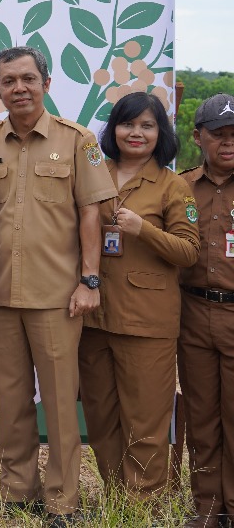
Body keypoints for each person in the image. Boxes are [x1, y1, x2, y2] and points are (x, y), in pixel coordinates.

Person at [0, 46, 116, 527]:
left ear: (47, 83)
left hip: (58, 297)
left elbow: (91, 214)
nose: (19, 88)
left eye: (28, 79)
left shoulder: (77, 141)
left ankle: (62, 501)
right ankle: (19, 493)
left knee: (58, 404)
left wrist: (89, 280)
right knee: (9, 401)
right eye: (9, 80)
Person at [77, 91, 197, 500]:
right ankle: (117, 502)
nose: (136, 133)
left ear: (160, 133)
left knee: (145, 424)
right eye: (128, 124)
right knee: (101, 419)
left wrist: (143, 229)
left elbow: (188, 250)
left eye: (147, 125)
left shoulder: (172, 185)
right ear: (113, 130)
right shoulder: (94, 172)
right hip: (93, 319)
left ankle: (143, 505)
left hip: (147, 323)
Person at [178, 93, 234, 528]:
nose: (228, 143)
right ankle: (207, 508)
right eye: (218, 134)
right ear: (198, 136)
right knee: (202, 415)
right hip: (194, 313)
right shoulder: (180, 186)